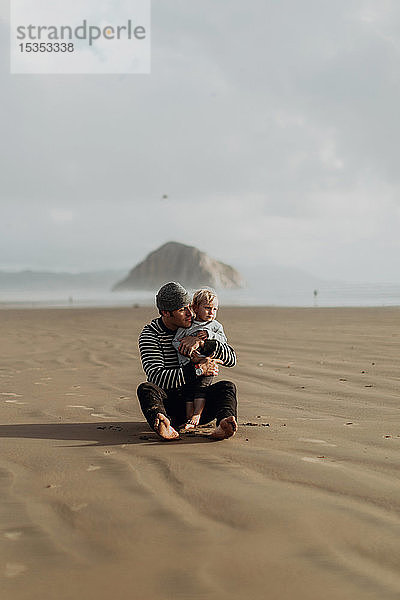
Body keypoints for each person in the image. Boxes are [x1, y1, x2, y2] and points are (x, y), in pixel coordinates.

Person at [137, 281, 238, 441]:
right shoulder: (151, 335)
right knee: (146, 389)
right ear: (165, 313)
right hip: (170, 405)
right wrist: (198, 369)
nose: (190, 314)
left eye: (189, 307)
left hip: (200, 402)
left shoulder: (201, 328)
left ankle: (224, 424)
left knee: (227, 387)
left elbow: (231, 359)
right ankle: (163, 424)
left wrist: (204, 343)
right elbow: (157, 377)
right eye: (182, 310)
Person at [172, 288, 227, 430]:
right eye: (207, 308)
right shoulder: (188, 325)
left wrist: (209, 334)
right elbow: (175, 341)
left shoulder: (215, 326)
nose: (211, 312)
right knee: (188, 391)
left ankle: (197, 414)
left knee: (201, 389)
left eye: (215, 309)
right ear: (195, 308)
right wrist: (187, 352)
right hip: (189, 365)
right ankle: (189, 417)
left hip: (208, 364)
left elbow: (223, 341)